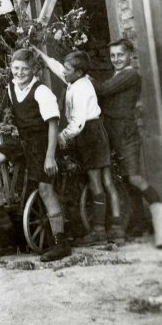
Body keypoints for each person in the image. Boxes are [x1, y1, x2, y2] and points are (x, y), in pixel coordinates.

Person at [0, 48, 72, 262]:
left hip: (42, 143)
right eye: (15, 68)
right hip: (23, 141)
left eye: (24, 69)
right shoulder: (11, 88)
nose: (19, 73)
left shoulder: (41, 91)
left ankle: (61, 242)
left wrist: (49, 156)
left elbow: (53, 125)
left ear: (34, 69)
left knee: (45, 189)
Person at [35, 47, 125, 245]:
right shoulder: (73, 78)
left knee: (97, 181)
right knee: (104, 179)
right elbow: (58, 68)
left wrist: (62, 137)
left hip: (91, 134)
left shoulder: (83, 88)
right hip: (95, 132)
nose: (64, 71)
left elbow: (78, 122)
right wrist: (41, 54)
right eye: (66, 68)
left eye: (68, 69)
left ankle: (100, 230)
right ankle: (116, 227)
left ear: (79, 72)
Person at [92, 38, 162, 247]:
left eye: (120, 55)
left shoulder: (130, 74)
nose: (116, 59)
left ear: (129, 55)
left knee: (135, 178)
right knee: (125, 181)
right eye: (112, 56)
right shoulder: (117, 75)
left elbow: (103, 90)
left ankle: (160, 223)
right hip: (113, 133)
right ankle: (138, 224)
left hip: (126, 134)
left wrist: (85, 76)